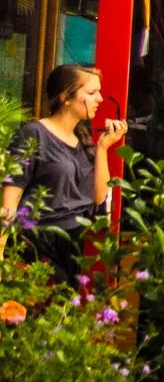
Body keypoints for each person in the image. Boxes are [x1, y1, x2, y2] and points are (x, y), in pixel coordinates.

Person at [1, 64, 126, 285]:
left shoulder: (82, 139)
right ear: (65, 97)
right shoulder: (34, 133)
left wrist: (103, 148)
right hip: (38, 245)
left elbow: (98, 197)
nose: (99, 99)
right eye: (91, 92)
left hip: (73, 246)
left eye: (99, 91)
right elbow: (10, 201)